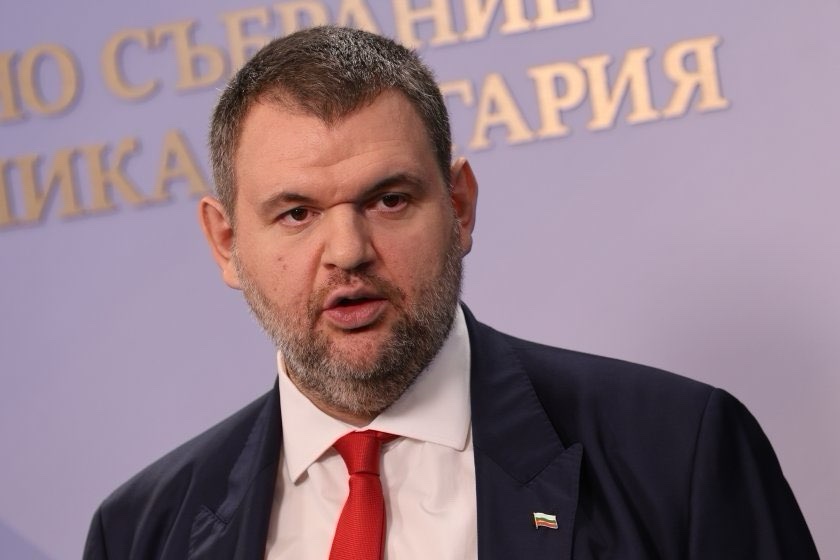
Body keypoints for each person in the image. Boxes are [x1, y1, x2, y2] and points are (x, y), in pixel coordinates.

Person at [83, 26, 819, 559]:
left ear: (460, 207)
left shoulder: (678, 453)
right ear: (226, 243)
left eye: (389, 200)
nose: (348, 252)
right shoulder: (141, 533)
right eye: (297, 213)